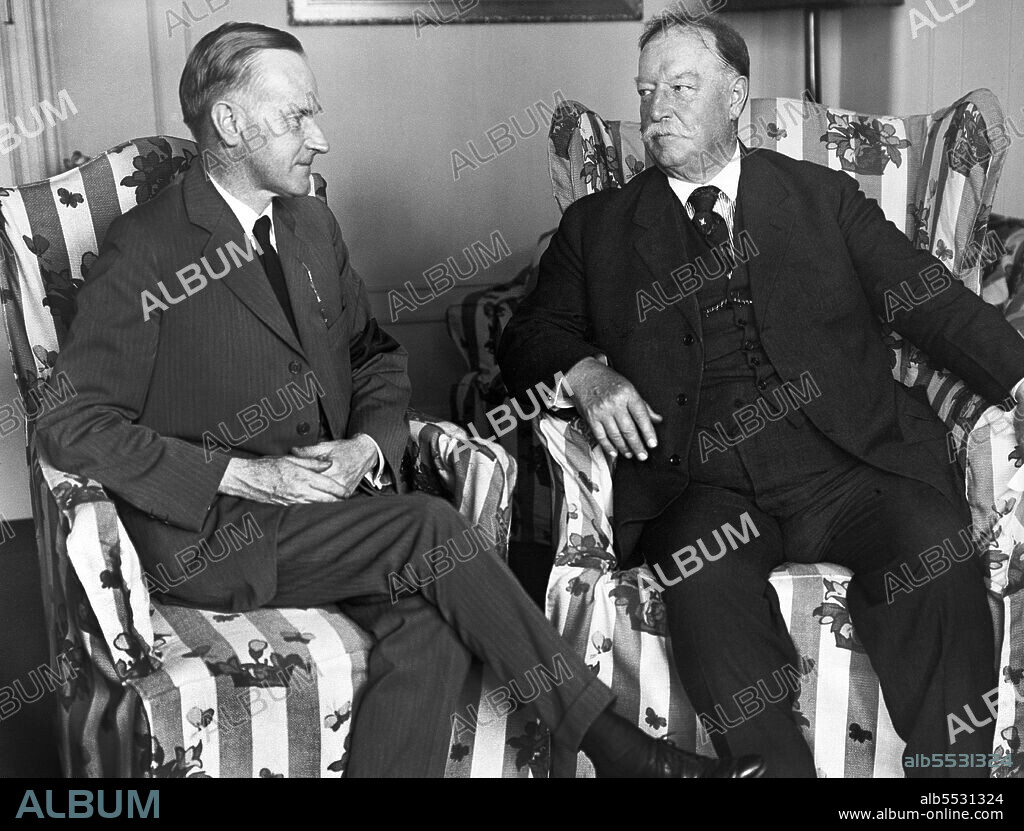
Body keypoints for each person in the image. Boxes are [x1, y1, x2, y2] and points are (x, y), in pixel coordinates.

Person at [35, 21, 763, 779]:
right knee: (430, 528)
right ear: (229, 123)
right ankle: (621, 750)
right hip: (214, 532)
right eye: (296, 117)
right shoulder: (146, 248)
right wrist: (243, 474)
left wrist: (367, 446)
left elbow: (375, 355)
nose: (320, 137)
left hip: (321, 513)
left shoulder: (311, 223)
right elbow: (69, 421)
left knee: (434, 620)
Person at [498, 5, 1024, 778]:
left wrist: (1019, 377)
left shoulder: (823, 195)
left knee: (934, 555)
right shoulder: (599, 225)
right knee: (708, 595)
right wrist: (587, 372)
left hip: (849, 464)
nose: (656, 108)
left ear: (736, 97)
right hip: (700, 485)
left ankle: (953, 788)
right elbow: (526, 340)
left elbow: (931, 303)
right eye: (646, 90)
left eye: (681, 85)